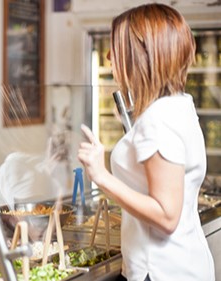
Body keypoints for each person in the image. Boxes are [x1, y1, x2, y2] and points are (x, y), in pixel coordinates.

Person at [77, 4, 215, 281]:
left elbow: (166, 217)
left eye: (115, 49)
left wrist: (101, 175)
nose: (108, 58)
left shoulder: (158, 119)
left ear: (139, 55)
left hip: (162, 272)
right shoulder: (178, 104)